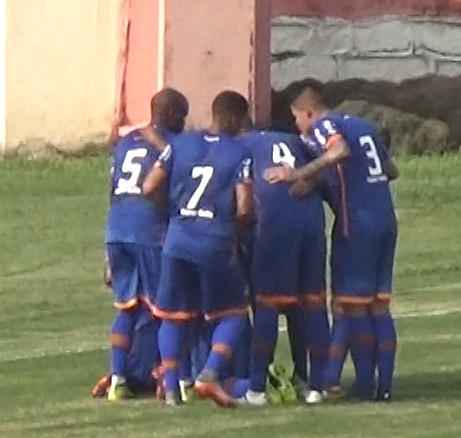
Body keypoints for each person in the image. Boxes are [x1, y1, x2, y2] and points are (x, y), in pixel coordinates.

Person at [268, 86, 400, 403]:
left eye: (297, 119)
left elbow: (339, 151)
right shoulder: (364, 126)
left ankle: (365, 383)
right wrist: (322, 180)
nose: (298, 126)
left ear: (308, 112)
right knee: (378, 305)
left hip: (358, 224)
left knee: (350, 305)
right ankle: (384, 386)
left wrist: (299, 172)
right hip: (386, 219)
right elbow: (391, 170)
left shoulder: (325, 125)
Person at [142, 92, 256, 407]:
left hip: (177, 241)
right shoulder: (239, 152)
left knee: (172, 315)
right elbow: (245, 207)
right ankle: (209, 374)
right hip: (215, 242)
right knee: (233, 312)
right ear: (234, 119)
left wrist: (174, 212)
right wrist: (236, 231)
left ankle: (171, 388)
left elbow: (149, 187)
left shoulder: (181, 143)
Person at [96, 89, 189, 400]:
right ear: (175, 116)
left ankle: (119, 377)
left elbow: (112, 191)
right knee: (162, 308)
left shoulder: (125, 142)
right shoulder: (171, 146)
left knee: (127, 306)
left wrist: (105, 252)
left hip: (116, 229)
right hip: (149, 230)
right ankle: (165, 376)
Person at [240, 124, 329, 406]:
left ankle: (256, 389)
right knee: (311, 303)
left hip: (274, 224)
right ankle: (314, 384)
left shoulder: (241, 146)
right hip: (311, 224)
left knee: (268, 303)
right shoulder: (298, 140)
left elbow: (240, 194)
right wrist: (310, 181)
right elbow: (330, 166)